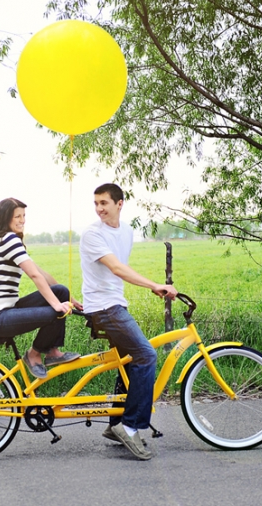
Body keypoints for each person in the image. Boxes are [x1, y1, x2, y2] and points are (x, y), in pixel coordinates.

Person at [79, 183, 178, 460]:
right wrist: (154, 285)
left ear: (119, 204)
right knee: (146, 355)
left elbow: (119, 270)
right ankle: (130, 426)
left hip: (115, 304)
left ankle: (115, 425)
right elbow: (117, 268)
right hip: (104, 307)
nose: (99, 208)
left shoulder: (126, 232)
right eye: (96, 203)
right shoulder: (91, 234)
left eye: (104, 203)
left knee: (129, 360)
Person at [0, 198, 82, 379]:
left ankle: (52, 352)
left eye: (24, 216)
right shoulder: (9, 239)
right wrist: (58, 306)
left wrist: (70, 300)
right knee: (56, 310)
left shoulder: (3, 240)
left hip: (7, 310)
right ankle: (34, 354)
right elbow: (34, 276)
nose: (22, 220)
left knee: (60, 292)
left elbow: (40, 273)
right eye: (17, 216)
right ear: (5, 218)